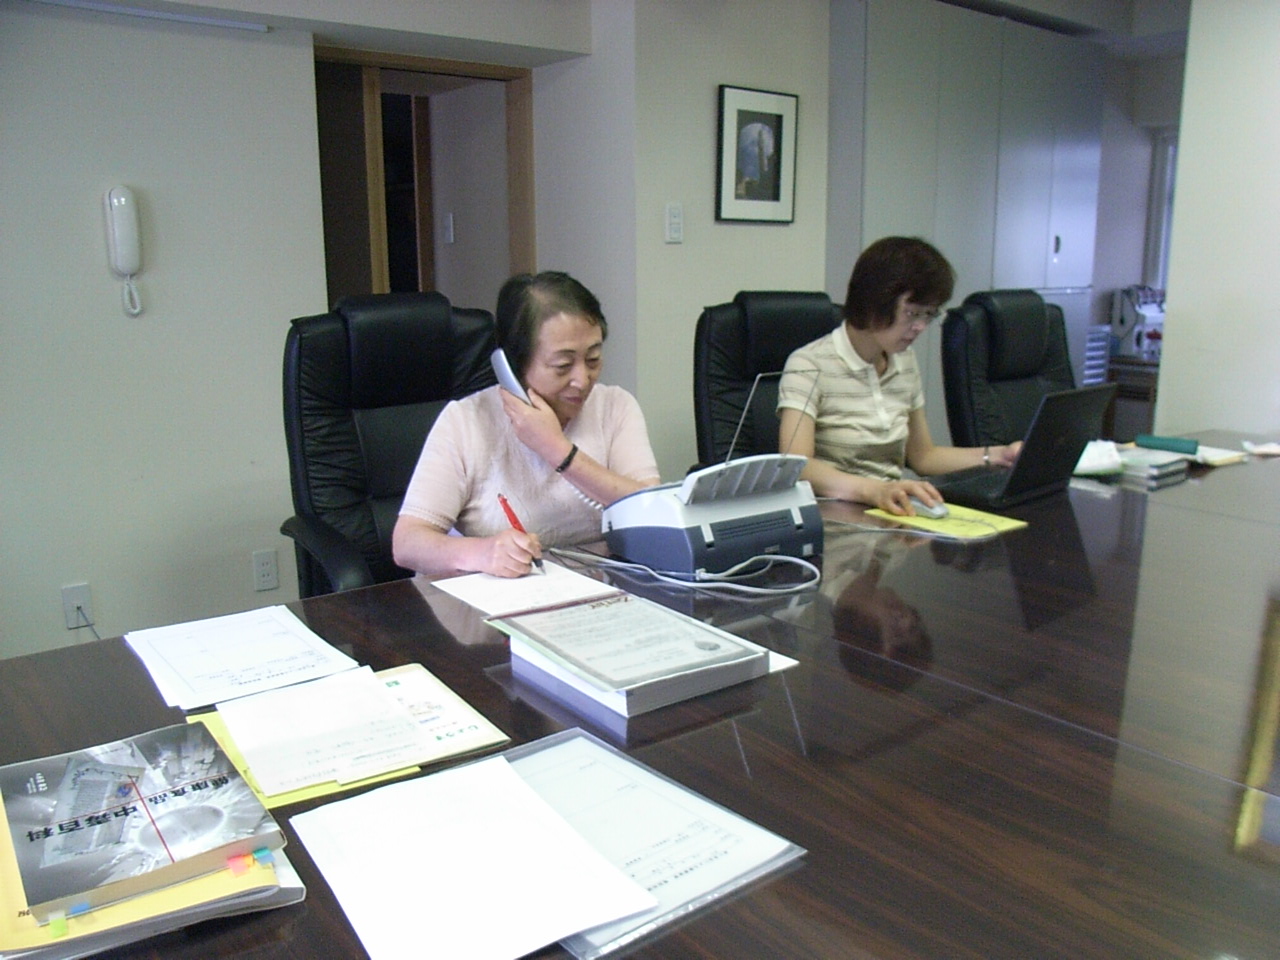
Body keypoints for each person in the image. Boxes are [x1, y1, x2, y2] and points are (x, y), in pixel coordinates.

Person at [392, 271, 660, 578]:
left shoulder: (615, 406)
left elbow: (653, 510)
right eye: (562, 365)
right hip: (499, 598)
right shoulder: (465, 421)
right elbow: (407, 543)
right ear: (512, 365)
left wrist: (558, 451)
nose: (582, 380)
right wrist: (483, 552)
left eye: (593, 359)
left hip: (602, 591)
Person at [776, 236, 1021, 515]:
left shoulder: (904, 360)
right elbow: (798, 465)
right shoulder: (808, 364)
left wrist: (998, 455)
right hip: (835, 514)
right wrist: (873, 490)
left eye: (928, 315)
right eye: (912, 313)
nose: (920, 327)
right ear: (874, 302)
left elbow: (923, 456)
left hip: (891, 509)